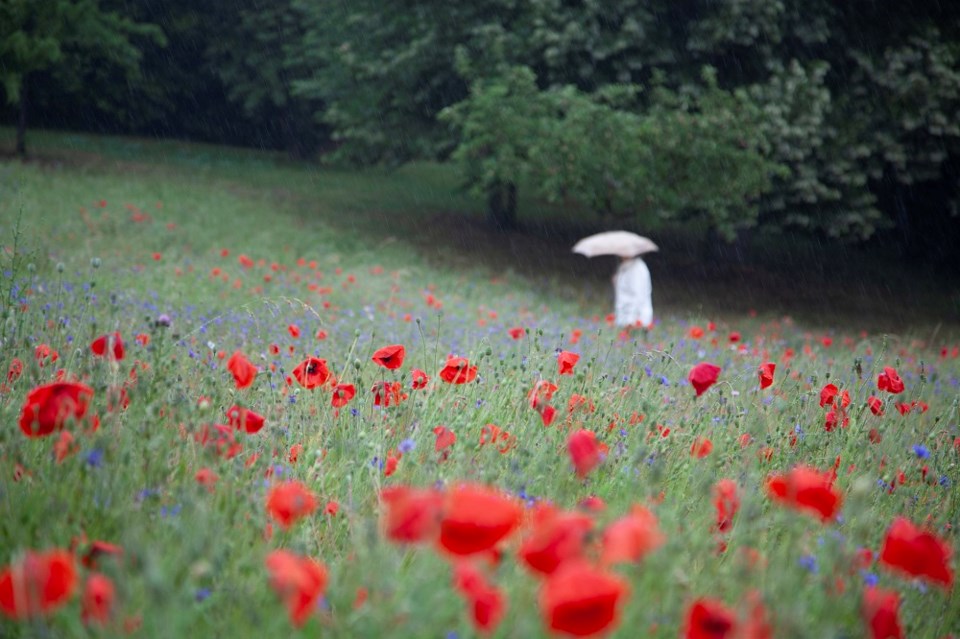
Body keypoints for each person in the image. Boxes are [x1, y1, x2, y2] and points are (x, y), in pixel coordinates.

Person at [613, 254, 652, 330]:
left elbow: (638, 295)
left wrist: (631, 319)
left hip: (636, 318)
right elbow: (624, 290)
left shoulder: (637, 268)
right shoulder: (625, 266)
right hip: (625, 314)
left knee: (635, 339)